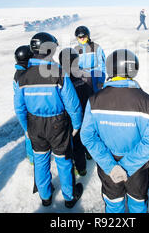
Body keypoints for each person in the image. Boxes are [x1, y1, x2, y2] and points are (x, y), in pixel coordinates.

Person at [80, 49, 149, 213]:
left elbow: (88, 136)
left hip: (108, 164)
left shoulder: (95, 100)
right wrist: (127, 166)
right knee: (138, 203)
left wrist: (112, 167)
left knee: (113, 202)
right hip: (138, 166)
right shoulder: (145, 101)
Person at [14, 32, 84, 208]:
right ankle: (69, 197)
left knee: (40, 160)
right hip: (57, 124)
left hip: (34, 124)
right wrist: (76, 125)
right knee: (64, 160)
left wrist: (26, 129)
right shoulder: (58, 72)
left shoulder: (22, 76)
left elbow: (19, 108)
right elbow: (72, 104)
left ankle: (45, 196)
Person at [58, 47, 95, 176]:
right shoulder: (85, 73)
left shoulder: (60, 77)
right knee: (87, 136)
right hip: (86, 111)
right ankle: (89, 153)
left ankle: (81, 168)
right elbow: (91, 94)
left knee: (76, 142)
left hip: (70, 116)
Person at [13, 45, 35, 164]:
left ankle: (31, 157)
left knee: (28, 133)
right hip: (29, 107)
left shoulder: (18, 73)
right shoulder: (25, 74)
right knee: (30, 134)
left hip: (24, 106)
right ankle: (32, 157)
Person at [74, 26, 106, 93]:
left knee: (96, 98)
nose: (82, 39)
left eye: (84, 37)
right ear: (77, 38)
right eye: (80, 37)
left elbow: (102, 65)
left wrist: (101, 81)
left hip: (95, 77)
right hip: (83, 78)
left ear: (88, 36)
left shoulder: (96, 47)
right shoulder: (76, 49)